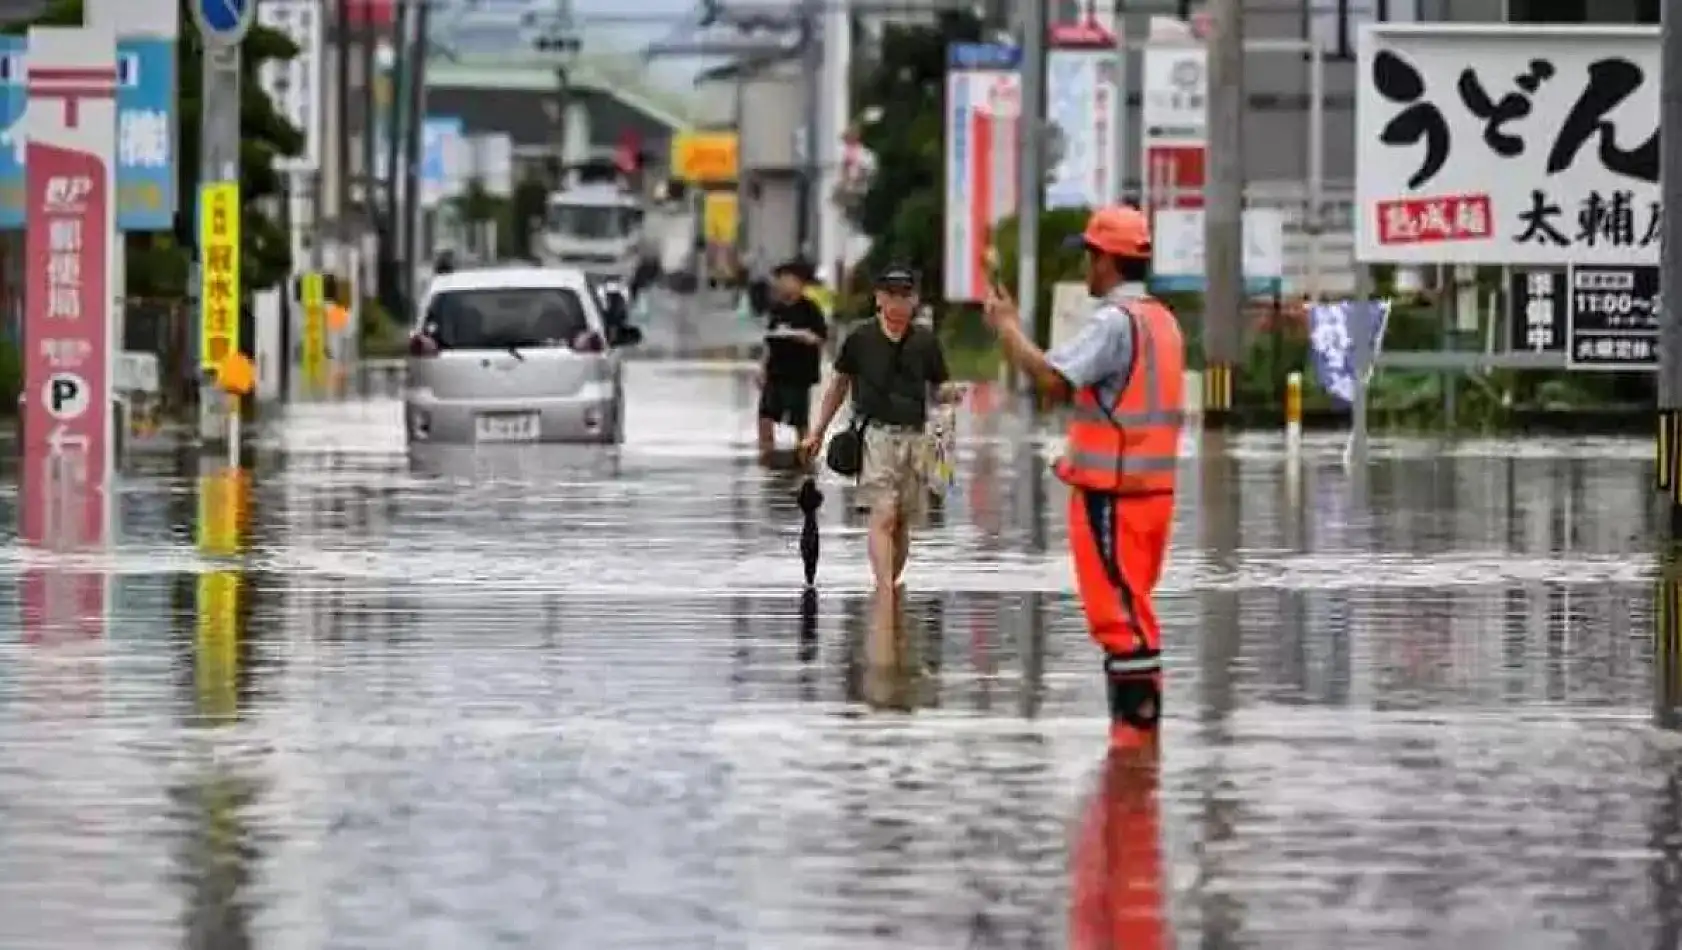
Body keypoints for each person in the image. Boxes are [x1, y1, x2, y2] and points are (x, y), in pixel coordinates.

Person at [982, 206, 1185, 748]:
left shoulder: (1114, 323)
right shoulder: (1162, 319)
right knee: (1132, 610)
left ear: (1109, 262)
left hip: (1112, 497)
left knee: (1118, 617)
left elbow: (1052, 379)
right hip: (1151, 495)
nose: (1085, 270)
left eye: (1089, 257)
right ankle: (1137, 749)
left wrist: (1007, 330)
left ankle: (1135, 743)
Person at [801, 265, 963, 638]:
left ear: (915, 299)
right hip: (875, 435)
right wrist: (817, 432)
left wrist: (950, 394)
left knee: (904, 519)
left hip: (917, 438)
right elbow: (838, 385)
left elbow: (938, 387)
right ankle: (885, 589)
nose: (898, 301)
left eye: (905, 294)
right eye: (891, 294)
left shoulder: (925, 341)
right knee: (883, 513)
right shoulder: (860, 338)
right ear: (879, 297)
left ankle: (890, 581)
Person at [756, 259, 829, 460]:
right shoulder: (777, 309)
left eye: (788, 280)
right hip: (775, 372)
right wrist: (761, 369)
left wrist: (803, 336)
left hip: (799, 375)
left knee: (799, 420)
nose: (782, 284)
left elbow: (821, 339)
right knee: (765, 416)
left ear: (800, 283)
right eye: (780, 280)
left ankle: (805, 456)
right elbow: (769, 341)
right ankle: (766, 454)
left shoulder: (810, 309)